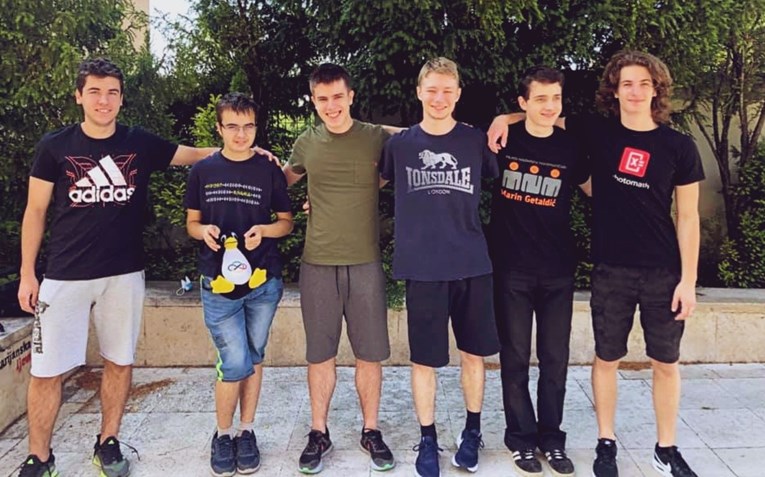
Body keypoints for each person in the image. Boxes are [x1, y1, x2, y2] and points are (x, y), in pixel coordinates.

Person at [14, 58, 269, 477]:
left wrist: (245, 151)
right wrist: (28, 273)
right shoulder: (54, 146)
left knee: (119, 361)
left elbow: (195, 155)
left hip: (124, 274)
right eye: (95, 91)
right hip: (63, 275)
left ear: (121, 98)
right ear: (79, 96)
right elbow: (35, 211)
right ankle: (39, 457)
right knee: (46, 371)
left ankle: (108, 442)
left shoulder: (138, 142)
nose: (104, 100)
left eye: (112, 92)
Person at [488, 51, 704, 477]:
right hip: (609, 269)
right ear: (614, 90)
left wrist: (688, 280)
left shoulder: (679, 146)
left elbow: (689, 217)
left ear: (657, 89)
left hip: (663, 271)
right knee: (605, 359)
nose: (635, 91)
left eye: (644, 84)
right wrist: (503, 118)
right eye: (627, 84)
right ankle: (604, 443)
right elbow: (541, 115)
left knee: (665, 362)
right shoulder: (595, 131)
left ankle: (666, 448)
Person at [379, 57, 500, 477]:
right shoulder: (400, 146)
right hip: (422, 267)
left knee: (473, 355)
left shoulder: (476, 140)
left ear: (458, 94)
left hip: (471, 263)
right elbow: (365, 183)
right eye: (431, 89)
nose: (439, 98)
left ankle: (472, 432)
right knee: (424, 361)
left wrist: (508, 116)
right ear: (419, 92)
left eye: (447, 90)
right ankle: (427, 438)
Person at [282, 63, 396, 475]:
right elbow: (278, 182)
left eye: (337, 97)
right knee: (320, 354)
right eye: (322, 99)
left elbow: (417, 136)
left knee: (370, 354)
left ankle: (371, 430)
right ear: (314, 102)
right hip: (318, 263)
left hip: (365, 262)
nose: (331, 106)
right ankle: (318, 432)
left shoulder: (375, 138)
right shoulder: (306, 143)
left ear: (351, 96)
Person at [185, 93, 293, 477]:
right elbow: (191, 222)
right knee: (233, 361)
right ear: (219, 128)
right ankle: (223, 434)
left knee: (254, 355)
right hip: (218, 284)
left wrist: (264, 229)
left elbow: (286, 222)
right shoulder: (203, 171)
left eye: (248, 126)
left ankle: (246, 431)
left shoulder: (268, 170)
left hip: (263, 282)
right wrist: (203, 231)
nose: (241, 134)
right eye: (232, 126)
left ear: (256, 128)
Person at [489, 66, 590, 477]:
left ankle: (552, 438)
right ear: (523, 102)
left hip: (557, 271)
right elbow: (442, 134)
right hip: (510, 269)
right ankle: (521, 440)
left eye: (556, 98)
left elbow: (596, 191)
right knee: (514, 359)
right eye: (541, 98)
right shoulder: (502, 139)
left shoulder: (571, 147)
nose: (550, 106)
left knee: (555, 360)